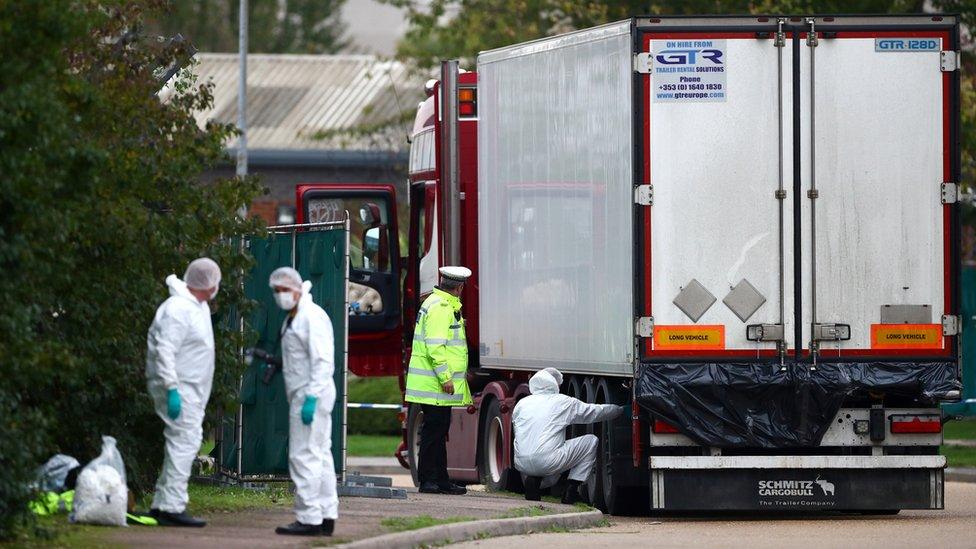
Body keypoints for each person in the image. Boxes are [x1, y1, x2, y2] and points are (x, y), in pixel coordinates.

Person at [146, 258, 221, 527]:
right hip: (179, 389)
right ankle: (172, 507)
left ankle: (162, 504)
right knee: (184, 443)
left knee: (181, 444)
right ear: (208, 283)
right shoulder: (178, 309)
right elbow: (164, 350)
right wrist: (171, 389)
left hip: (190, 390)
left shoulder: (195, 306)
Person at [268, 267, 339, 537]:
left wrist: (310, 397)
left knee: (303, 456)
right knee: (319, 455)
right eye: (277, 291)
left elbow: (322, 361)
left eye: (284, 290)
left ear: (297, 289)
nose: (281, 296)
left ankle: (309, 517)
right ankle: (325, 515)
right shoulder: (297, 316)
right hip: (308, 392)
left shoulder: (310, 316)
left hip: (311, 394)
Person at [405, 266, 473, 495]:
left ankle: (441, 480)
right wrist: (445, 377)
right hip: (434, 384)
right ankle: (428, 481)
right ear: (459, 287)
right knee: (434, 431)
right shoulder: (441, 308)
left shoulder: (439, 304)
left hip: (434, 384)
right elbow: (435, 347)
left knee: (438, 429)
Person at [512, 368, 624, 504]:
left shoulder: (522, 404)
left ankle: (534, 482)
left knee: (547, 459)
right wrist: (620, 410)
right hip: (548, 460)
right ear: (554, 384)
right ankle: (572, 490)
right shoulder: (562, 402)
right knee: (590, 441)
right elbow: (593, 413)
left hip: (521, 463)